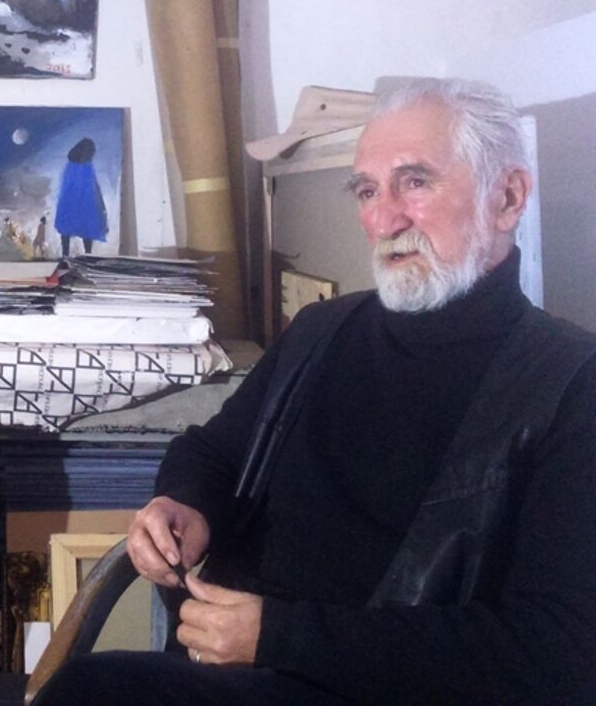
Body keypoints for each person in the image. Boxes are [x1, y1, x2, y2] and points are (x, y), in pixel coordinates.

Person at [32, 79, 596, 705]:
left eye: (415, 182)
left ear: (508, 198)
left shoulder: (570, 383)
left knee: (93, 690)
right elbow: (211, 451)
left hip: (366, 689)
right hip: (220, 667)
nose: (384, 220)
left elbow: (560, 653)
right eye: (367, 190)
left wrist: (279, 638)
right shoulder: (322, 331)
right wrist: (182, 505)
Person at [54, 137, 108, 257]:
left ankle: (65, 256)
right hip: (85, 202)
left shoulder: (70, 165)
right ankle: (88, 255)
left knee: (67, 230)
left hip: (69, 202)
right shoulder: (87, 166)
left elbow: (65, 187)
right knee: (87, 229)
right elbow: (93, 185)